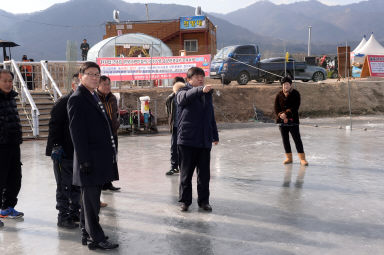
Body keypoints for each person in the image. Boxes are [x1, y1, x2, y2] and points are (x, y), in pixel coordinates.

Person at [67, 62, 119, 250]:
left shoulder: (92, 96)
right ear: (81, 76)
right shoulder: (78, 98)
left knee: (89, 201)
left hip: (98, 158)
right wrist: (84, 160)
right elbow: (77, 133)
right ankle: (96, 238)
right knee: (91, 205)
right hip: (89, 160)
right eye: (90, 74)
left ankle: (85, 233)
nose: (95, 78)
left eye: (97, 74)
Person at [177, 67, 219, 212]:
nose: (201, 79)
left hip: (204, 140)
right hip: (187, 140)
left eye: (202, 76)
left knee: (204, 175)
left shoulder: (207, 95)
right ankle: (185, 201)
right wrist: (200, 90)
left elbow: (210, 116)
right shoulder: (182, 92)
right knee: (186, 174)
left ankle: (204, 201)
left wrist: (214, 135)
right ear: (189, 79)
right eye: (197, 77)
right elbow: (183, 99)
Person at [46, 73, 81, 229]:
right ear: (73, 86)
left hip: (77, 152)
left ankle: (74, 212)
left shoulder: (84, 103)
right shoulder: (63, 103)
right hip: (63, 152)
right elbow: (54, 127)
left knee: (76, 185)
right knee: (64, 185)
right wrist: (56, 146)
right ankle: (63, 216)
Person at [0, 69, 24, 224]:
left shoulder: (12, 98)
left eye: (10, 81)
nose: (8, 84)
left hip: (13, 144)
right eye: (5, 81)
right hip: (0, 146)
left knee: (15, 179)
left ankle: (7, 207)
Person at [274, 76, 308, 166]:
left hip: (293, 121)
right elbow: (276, 108)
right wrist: (280, 114)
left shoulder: (295, 94)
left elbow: (295, 107)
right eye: (284, 84)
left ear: (290, 85)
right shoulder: (279, 95)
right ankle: (289, 158)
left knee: (297, 139)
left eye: (287, 84)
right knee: (285, 140)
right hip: (282, 121)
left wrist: (286, 115)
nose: (285, 86)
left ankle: (302, 159)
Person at [96, 75, 121, 192]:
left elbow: (115, 114)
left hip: (113, 133)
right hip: (100, 135)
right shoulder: (95, 98)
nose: (107, 87)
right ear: (98, 85)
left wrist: (117, 124)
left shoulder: (113, 98)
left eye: (108, 84)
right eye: (104, 84)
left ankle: (108, 182)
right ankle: (100, 183)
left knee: (112, 158)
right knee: (101, 159)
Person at [165, 77, 185, 176]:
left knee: (184, 148)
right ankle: (174, 167)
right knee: (174, 148)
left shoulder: (187, 96)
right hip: (175, 126)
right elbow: (168, 112)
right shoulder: (171, 98)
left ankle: (183, 167)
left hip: (185, 127)